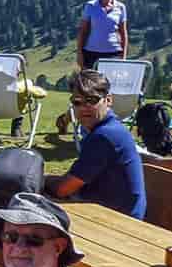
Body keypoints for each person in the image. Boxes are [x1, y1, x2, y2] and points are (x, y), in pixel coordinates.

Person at [43, 71, 146, 219]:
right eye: (77, 102)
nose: (84, 107)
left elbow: (63, 189)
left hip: (120, 221)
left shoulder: (105, 136)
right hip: (108, 210)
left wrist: (40, 179)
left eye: (91, 100)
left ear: (108, 100)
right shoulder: (108, 128)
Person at [77, 0, 128, 70]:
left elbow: (123, 33)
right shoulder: (90, 6)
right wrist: (79, 54)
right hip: (91, 52)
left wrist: (123, 56)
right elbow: (83, 31)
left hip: (114, 53)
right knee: (90, 83)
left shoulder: (121, 7)